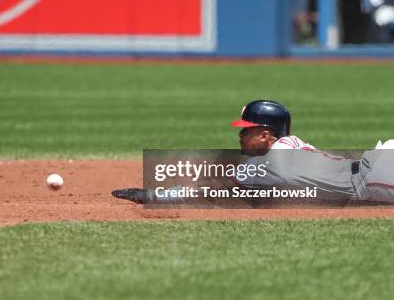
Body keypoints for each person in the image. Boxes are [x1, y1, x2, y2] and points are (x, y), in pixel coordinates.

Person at [112, 100, 394, 204]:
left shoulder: (271, 163)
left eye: (246, 130)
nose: (240, 135)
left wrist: (155, 195)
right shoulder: (291, 143)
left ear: (265, 135)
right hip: (376, 159)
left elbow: (214, 189)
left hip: (373, 179)